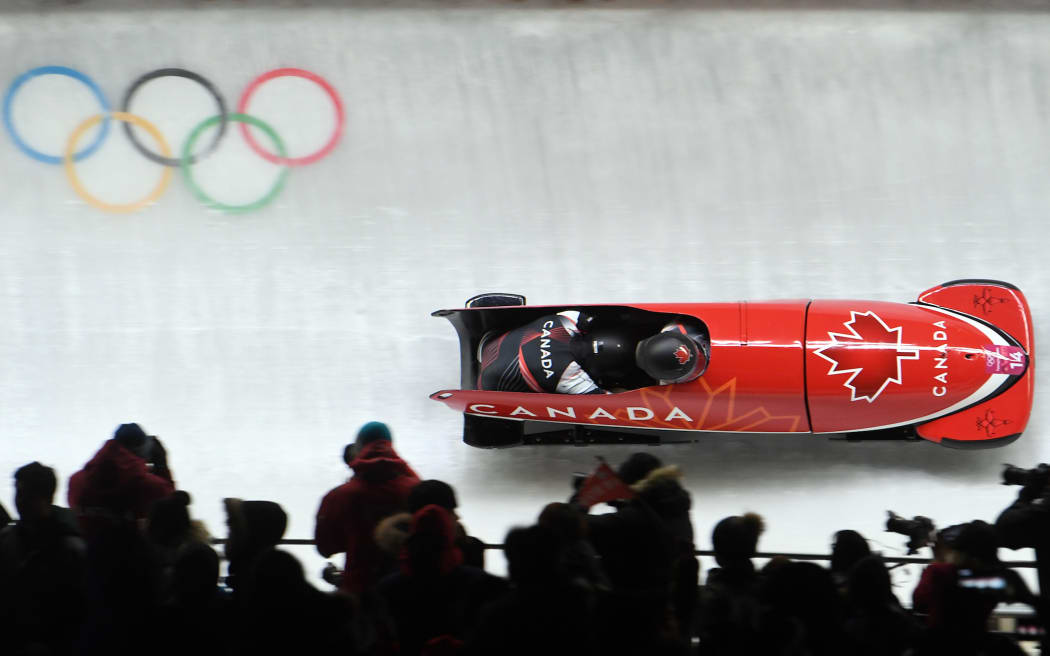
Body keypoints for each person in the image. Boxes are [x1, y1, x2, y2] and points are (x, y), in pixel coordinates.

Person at [477, 311, 709, 394]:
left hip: (495, 337)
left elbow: (595, 317)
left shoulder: (566, 320)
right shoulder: (570, 377)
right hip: (490, 380)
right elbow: (606, 404)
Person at [315, 421, 421, 595]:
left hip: (359, 590)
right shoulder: (415, 489)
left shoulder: (340, 495)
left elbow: (325, 547)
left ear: (359, 448)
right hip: (409, 591)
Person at [0, 462, 86, 655]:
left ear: (45, 497)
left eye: (26, 494)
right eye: (18, 493)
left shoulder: (70, 549)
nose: (19, 500)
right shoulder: (6, 539)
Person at [67, 422, 175, 541]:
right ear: (143, 452)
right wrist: (162, 466)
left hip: (87, 555)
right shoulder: (148, 486)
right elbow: (171, 511)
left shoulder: (75, 482)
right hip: (134, 555)